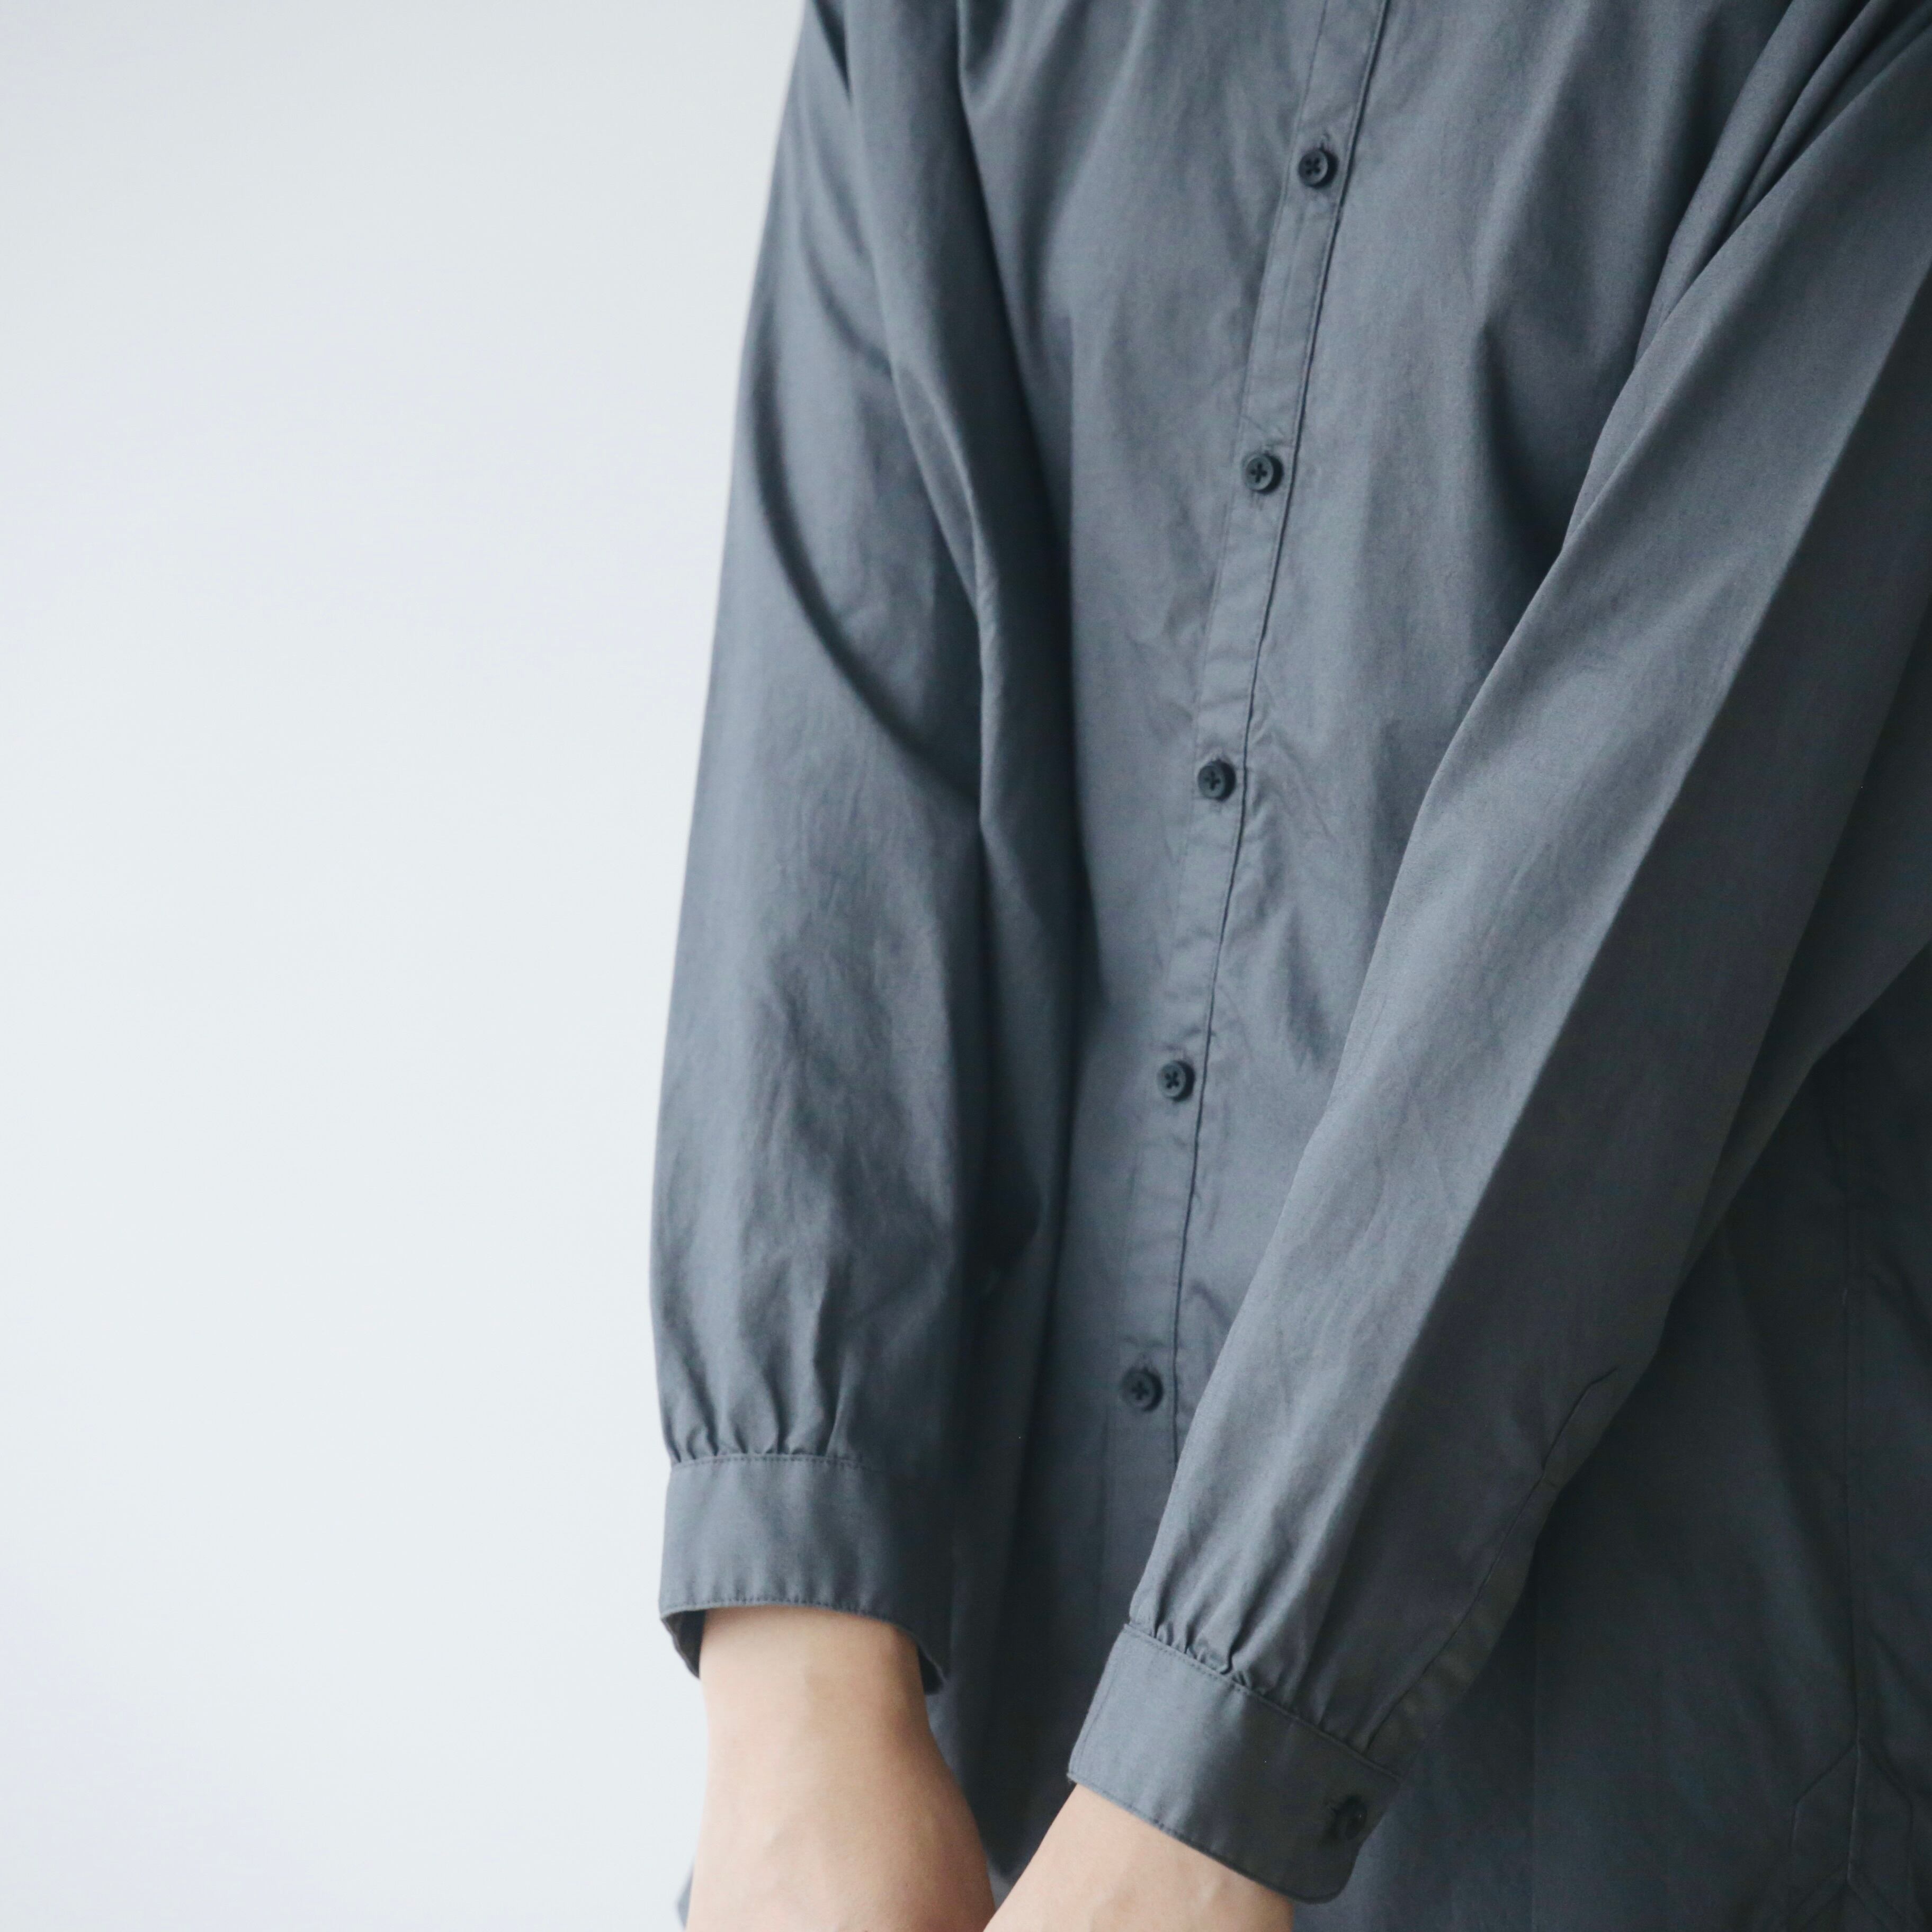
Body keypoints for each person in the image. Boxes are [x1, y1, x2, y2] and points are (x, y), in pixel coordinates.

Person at [651, 0, 1932, 1923]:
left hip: (1634, 1784)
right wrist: (800, 1691)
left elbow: (1614, 942)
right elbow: (832, 777)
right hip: (972, 1782)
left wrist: (1194, 1798)